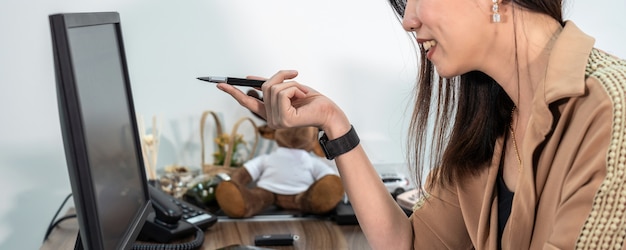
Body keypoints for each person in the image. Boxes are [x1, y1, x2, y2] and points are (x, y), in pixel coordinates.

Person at [216, 0, 626, 249]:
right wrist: (333, 123)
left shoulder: (611, 109)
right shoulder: (495, 122)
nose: (407, 20)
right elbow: (407, 243)